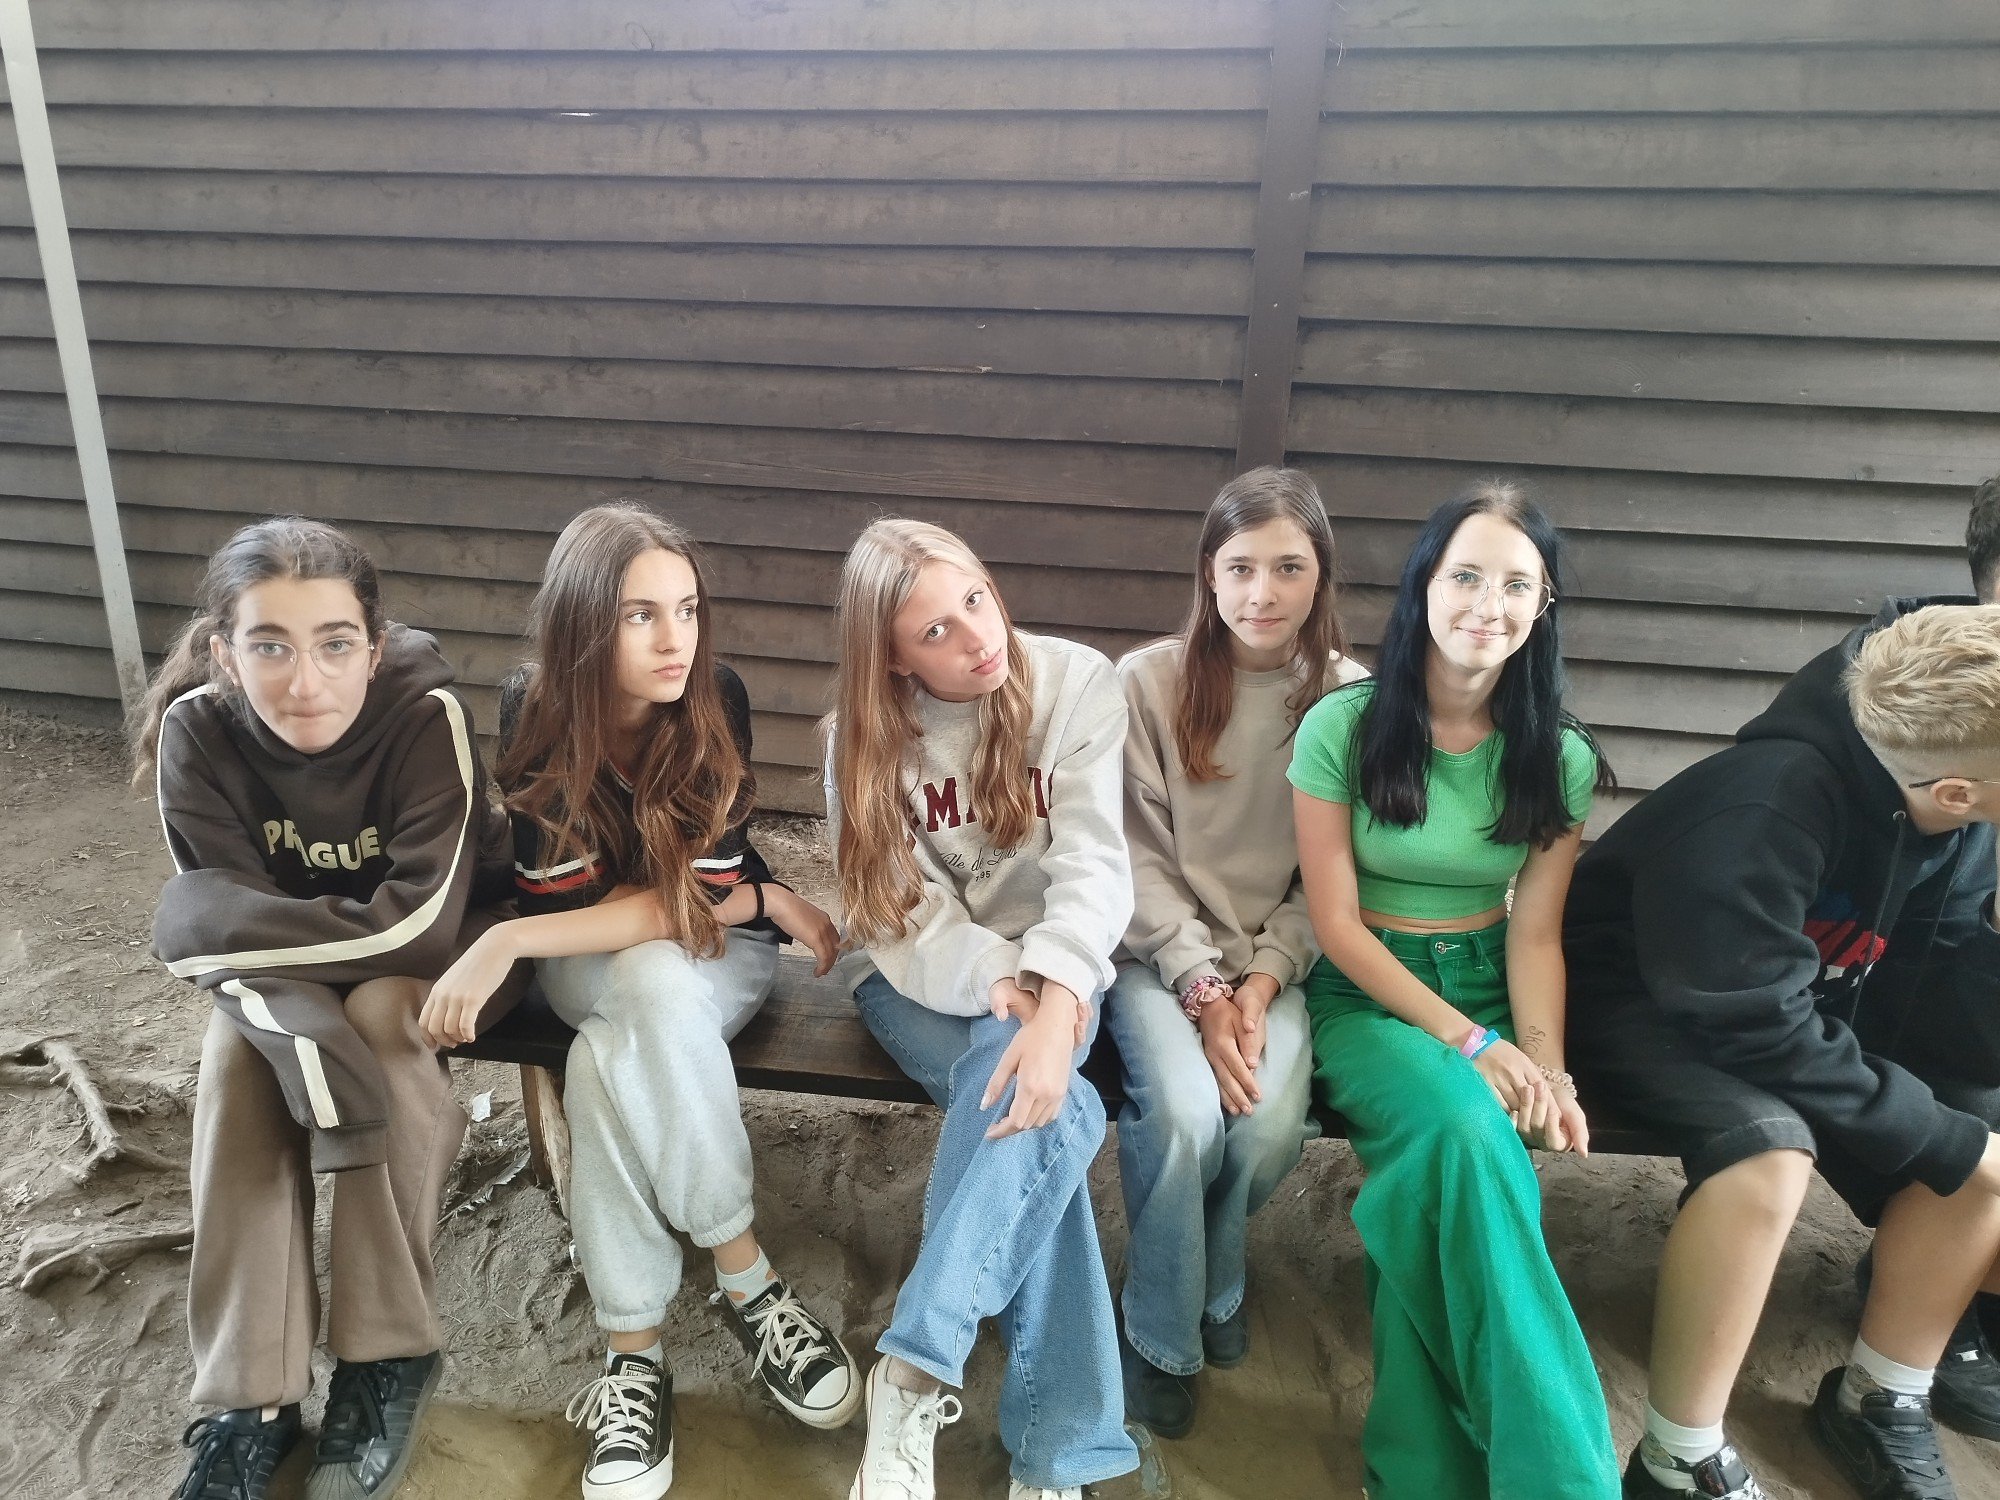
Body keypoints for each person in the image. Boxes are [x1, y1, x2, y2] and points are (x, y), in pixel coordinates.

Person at [420, 503, 856, 1500]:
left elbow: (687, 909)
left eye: (687, 609)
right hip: (597, 955)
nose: (675, 640)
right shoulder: (535, 707)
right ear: (583, 623)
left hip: (715, 953)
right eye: (639, 615)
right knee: (642, 987)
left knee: (608, 1046)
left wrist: (511, 937)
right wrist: (751, 896)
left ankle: (634, 1354)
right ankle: (749, 1280)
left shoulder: (714, 698)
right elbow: (589, 907)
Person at [1566, 601, 2000, 1500]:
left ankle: (1882, 1395)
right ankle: (1678, 1459)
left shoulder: (1962, 826)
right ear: (1957, 792)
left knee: (1979, 1138)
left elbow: (1939, 1008)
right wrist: (1924, 1127)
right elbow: (1746, 1018)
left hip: (1796, 1004)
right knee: (1769, 1151)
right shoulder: (1765, 807)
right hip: (1647, 1005)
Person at [139, 517, 515, 1500]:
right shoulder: (196, 732)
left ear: (373, 647)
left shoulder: (425, 714)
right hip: (291, 972)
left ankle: (385, 1354)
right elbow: (223, 936)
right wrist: (296, 1005)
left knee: (387, 1026)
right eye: (270, 646)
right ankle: (249, 1397)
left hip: (453, 951)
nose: (306, 682)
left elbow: (419, 927)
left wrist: (245, 931)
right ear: (225, 654)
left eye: (334, 644)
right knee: (239, 1060)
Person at [1288, 481, 1619, 1499]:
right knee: (1469, 1137)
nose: (1488, 603)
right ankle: (1565, 1481)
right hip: (1366, 994)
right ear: (1423, 585)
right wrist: (1473, 1048)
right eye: (1465, 575)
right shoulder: (1341, 728)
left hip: (1487, 982)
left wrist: (1545, 1066)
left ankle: (1415, 1476)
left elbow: (1534, 932)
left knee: (1445, 1186)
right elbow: (1336, 927)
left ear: (1544, 605)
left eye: (1517, 584)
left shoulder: (1558, 756)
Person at [824, 518, 1139, 1500]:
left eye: (974, 598)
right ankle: (1059, 1454)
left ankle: (911, 1370)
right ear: (890, 657)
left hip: (1061, 969)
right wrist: (997, 977)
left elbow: (1095, 867)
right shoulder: (859, 742)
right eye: (935, 631)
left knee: (1033, 1098)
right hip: (919, 978)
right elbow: (896, 913)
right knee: (1052, 1106)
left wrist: (1050, 999)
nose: (976, 636)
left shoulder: (1077, 684)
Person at [1109, 466, 1365, 1436]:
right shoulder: (1146, 684)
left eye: (1288, 567)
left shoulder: (1349, 700)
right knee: (1183, 1116)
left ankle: (1214, 1267)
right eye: (1241, 567)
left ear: (1320, 574)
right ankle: (1160, 1328)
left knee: (1260, 1129)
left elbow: (1330, 878)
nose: (1262, 592)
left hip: (1278, 965)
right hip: (1155, 957)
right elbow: (1132, 857)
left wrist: (1259, 981)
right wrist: (1201, 986)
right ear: (1208, 575)